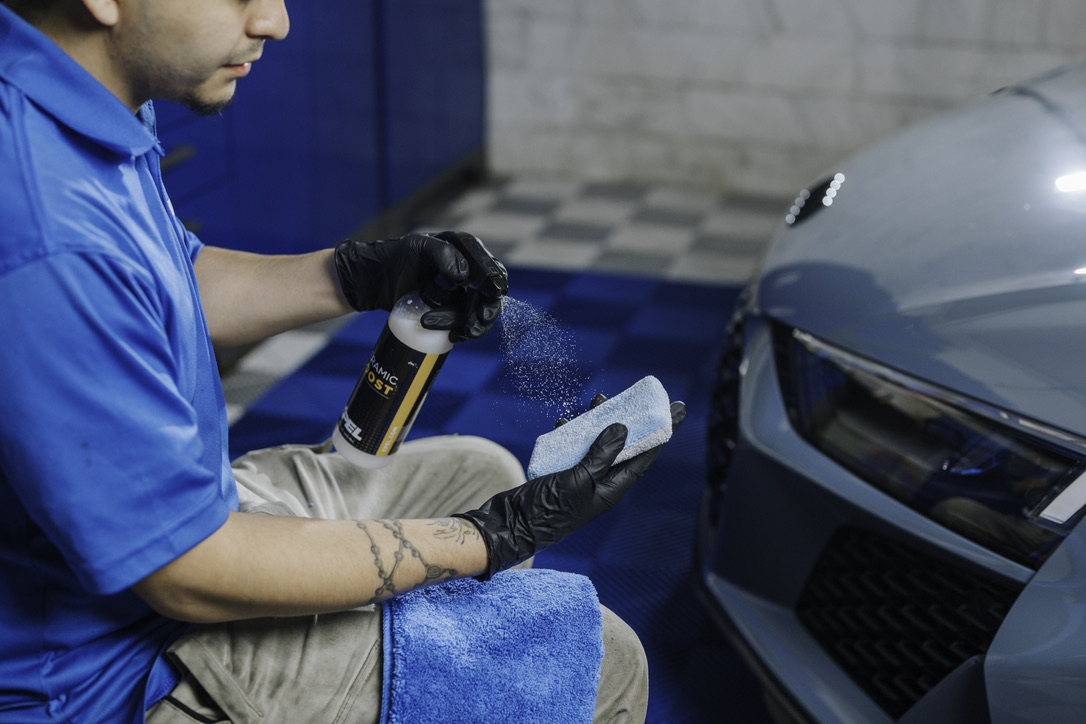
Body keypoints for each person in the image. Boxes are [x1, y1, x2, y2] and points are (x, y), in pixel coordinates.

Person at [0, 0, 686, 722]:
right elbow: (187, 576)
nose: (275, 21)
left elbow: (169, 283)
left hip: (175, 528)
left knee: (479, 470)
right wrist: (492, 536)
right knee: (602, 662)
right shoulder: (44, 228)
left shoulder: (85, 92)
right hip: (104, 673)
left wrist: (354, 275)